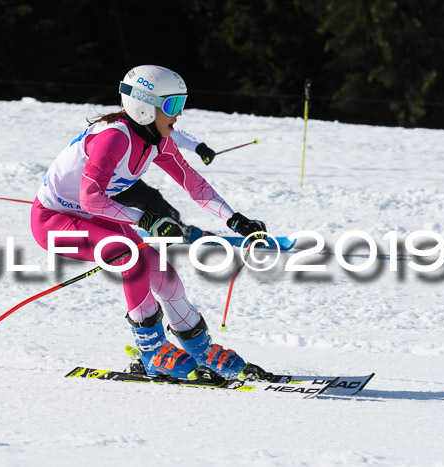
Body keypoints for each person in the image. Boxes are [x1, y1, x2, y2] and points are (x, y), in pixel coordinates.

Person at [31, 64, 268, 381]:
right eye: (172, 106)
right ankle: (153, 350)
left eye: (181, 105)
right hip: (54, 223)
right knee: (131, 257)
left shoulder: (158, 141)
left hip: (95, 214)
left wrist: (234, 219)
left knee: (162, 272)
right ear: (144, 108)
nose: (179, 115)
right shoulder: (113, 139)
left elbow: (194, 185)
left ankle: (200, 350)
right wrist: (147, 219)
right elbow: (89, 198)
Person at [110, 130, 217, 241]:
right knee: (150, 197)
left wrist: (201, 148)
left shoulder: (147, 131)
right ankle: (174, 231)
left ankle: (176, 227)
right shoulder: (121, 134)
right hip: (102, 186)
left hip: (123, 179)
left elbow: (176, 136)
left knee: (163, 207)